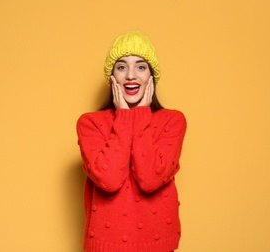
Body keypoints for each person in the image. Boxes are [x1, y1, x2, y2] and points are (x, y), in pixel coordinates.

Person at [76, 30, 187, 252]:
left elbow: (150, 179)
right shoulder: (90, 123)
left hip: (159, 247)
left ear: (151, 76)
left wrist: (141, 115)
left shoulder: (172, 121)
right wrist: (125, 117)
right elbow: (109, 180)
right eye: (122, 67)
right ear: (112, 77)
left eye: (141, 66)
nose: (130, 76)